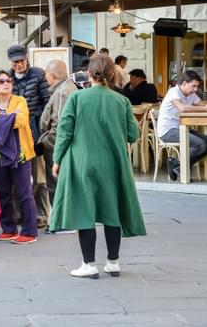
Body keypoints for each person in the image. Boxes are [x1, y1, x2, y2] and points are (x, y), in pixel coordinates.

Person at [50, 55, 147, 278]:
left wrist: (57, 160)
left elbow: (64, 132)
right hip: (113, 164)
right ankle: (113, 262)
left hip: (82, 162)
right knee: (111, 212)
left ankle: (89, 264)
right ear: (113, 75)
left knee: (85, 212)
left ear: (89, 74)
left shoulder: (77, 98)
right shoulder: (121, 101)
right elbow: (133, 134)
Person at [0, 70, 38, 245]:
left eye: (8, 81)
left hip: (21, 154)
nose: (6, 83)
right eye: (1, 81)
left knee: (24, 193)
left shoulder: (20, 101)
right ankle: (9, 228)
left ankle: (30, 231)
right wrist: (7, 120)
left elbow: (21, 121)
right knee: (4, 193)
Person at [7, 44, 50, 228]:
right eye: (16, 62)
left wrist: (40, 124)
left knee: (39, 176)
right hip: (14, 131)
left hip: (35, 129)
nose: (19, 64)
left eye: (22, 60)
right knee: (16, 176)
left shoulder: (38, 74)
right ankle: (17, 213)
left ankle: (41, 214)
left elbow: (47, 101)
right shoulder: (6, 78)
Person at [37, 59, 78, 232]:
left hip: (56, 147)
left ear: (52, 75)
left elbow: (60, 125)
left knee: (57, 183)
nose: (45, 77)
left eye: (46, 73)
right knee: (58, 183)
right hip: (57, 145)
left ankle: (64, 222)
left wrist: (45, 143)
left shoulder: (63, 92)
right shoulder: (65, 89)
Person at [157, 71, 207, 181]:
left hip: (182, 128)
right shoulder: (173, 92)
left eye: (197, 86)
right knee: (201, 144)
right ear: (184, 83)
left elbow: (202, 104)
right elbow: (182, 108)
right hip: (168, 131)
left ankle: (178, 166)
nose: (195, 89)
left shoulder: (191, 94)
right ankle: (181, 169)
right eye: (193, 86)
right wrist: (206, 109)